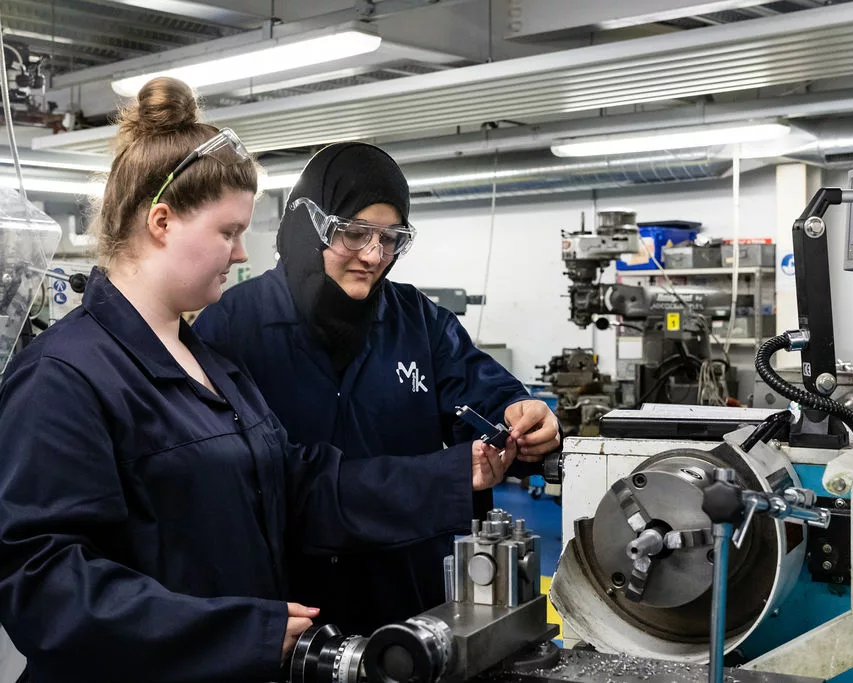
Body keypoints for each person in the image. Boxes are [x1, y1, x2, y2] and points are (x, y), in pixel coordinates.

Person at [0, 78, 516, 683]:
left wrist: (453, 474)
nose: (243, 253)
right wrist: (243, 633)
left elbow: (299, 489)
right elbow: (43, 584)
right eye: (228, 231)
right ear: (162, 221)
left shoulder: (212, 365)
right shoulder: (63, 376)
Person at [192, 142, 562, 634]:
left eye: (389, 239)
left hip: (406, 592)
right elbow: (246, 483)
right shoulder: (233, 328)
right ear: (310, 225)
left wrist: (523, 413)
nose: (373, 255)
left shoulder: (419, 322)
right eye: (354, 234)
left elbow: (482, 390)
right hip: (289, 602)